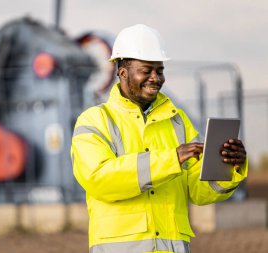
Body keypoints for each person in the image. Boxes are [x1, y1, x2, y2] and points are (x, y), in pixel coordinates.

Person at [71, 24, 248, 253]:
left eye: (160, 70)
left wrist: (229, 167)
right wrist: (171, 160)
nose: (155, 78)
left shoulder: (177, 120)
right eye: (146, 70)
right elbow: (99, 179)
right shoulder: (95, 120)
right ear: (122, 71)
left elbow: (199, 191)